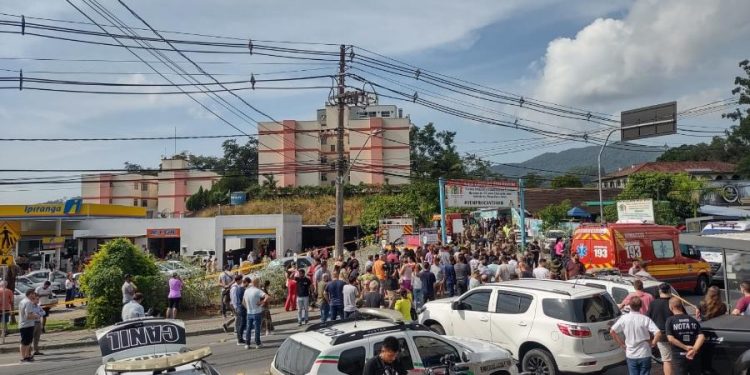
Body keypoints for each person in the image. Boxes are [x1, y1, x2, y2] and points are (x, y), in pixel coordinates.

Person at [610, 296, 661, 375]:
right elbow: (658, 333)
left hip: (631, 354)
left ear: (629, 306)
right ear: (641, 306)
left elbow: (612, 331)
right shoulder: (645, 319)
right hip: (645, 353)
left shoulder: (624, 318)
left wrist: (622, 344)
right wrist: (653, 343)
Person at [666, 298, 705, 375]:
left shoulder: (670, 320)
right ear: (682, 306)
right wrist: (694, 349)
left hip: (679, 356)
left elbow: (670, 339)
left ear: (671, 307)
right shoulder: (692, 320)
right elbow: (701, 336)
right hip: (693, 355)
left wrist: (685, 347)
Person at [647, 283, 675, 375]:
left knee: (667, 360)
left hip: (661, 336)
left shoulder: (653, 304)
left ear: (659, 291)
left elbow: (647, 319)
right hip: (676, 334)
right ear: (670, 291)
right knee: (676, 359)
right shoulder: (674, 302)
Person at [242, 278, 270, 349]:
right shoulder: (257, 291)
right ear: (257, 283)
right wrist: (262, 302)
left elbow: (243, 302)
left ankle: (247, 344)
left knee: (248, 328)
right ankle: (258, 343)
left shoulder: (246, 291)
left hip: (249, 312)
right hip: (257, 312)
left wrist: (247, 308)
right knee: (257, 328)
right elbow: (267, 297)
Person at [18, 290, 39, 363]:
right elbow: (28, 316)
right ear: (30, 294)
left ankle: (26, 356)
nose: (34, 296)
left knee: (26, 341)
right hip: (27, 324)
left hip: (23, 324)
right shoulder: (28, 302)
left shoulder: (22, 301)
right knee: (26, 342)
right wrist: (36, 316)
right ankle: (25, 357)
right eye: (33, 294)